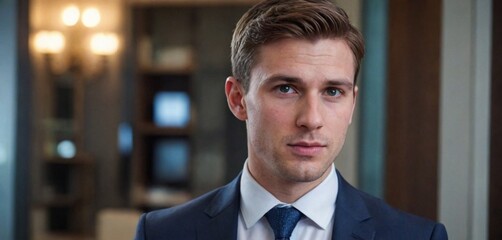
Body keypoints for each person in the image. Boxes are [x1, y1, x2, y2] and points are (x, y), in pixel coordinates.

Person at [134, 0, 448, 239]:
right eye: (286, 88)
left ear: (353, 102)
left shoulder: (418, 236)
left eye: (333, 92)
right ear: (237, 99)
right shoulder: (162, 233)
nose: (311, 119)